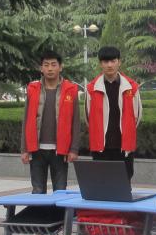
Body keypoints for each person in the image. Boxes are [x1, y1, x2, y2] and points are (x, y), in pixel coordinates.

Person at [20, 50, 80, 194]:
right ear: (41, 68)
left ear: (61, 67)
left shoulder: (71, 89)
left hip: (60, 150)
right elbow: (26, 120)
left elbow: (76, 122)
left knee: (60, 190)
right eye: (46, 65)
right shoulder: (32, 89)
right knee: (38, 190)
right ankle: (39, 210)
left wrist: (74, 149)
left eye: (54, 64)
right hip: (37, 149)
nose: (50, 68)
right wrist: (24, 149)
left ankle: (56, 211)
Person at [85, 46, 142, 181]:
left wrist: (127, 131)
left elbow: (137, 116)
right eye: (106, 62)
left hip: (124, 146)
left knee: (124, 183)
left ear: (119, 62)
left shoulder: (131, 87)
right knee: (101, 183)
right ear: (101, 64)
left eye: (113, 61)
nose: (109, 65)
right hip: (100, 147)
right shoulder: (92, 88)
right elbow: (88, 117)